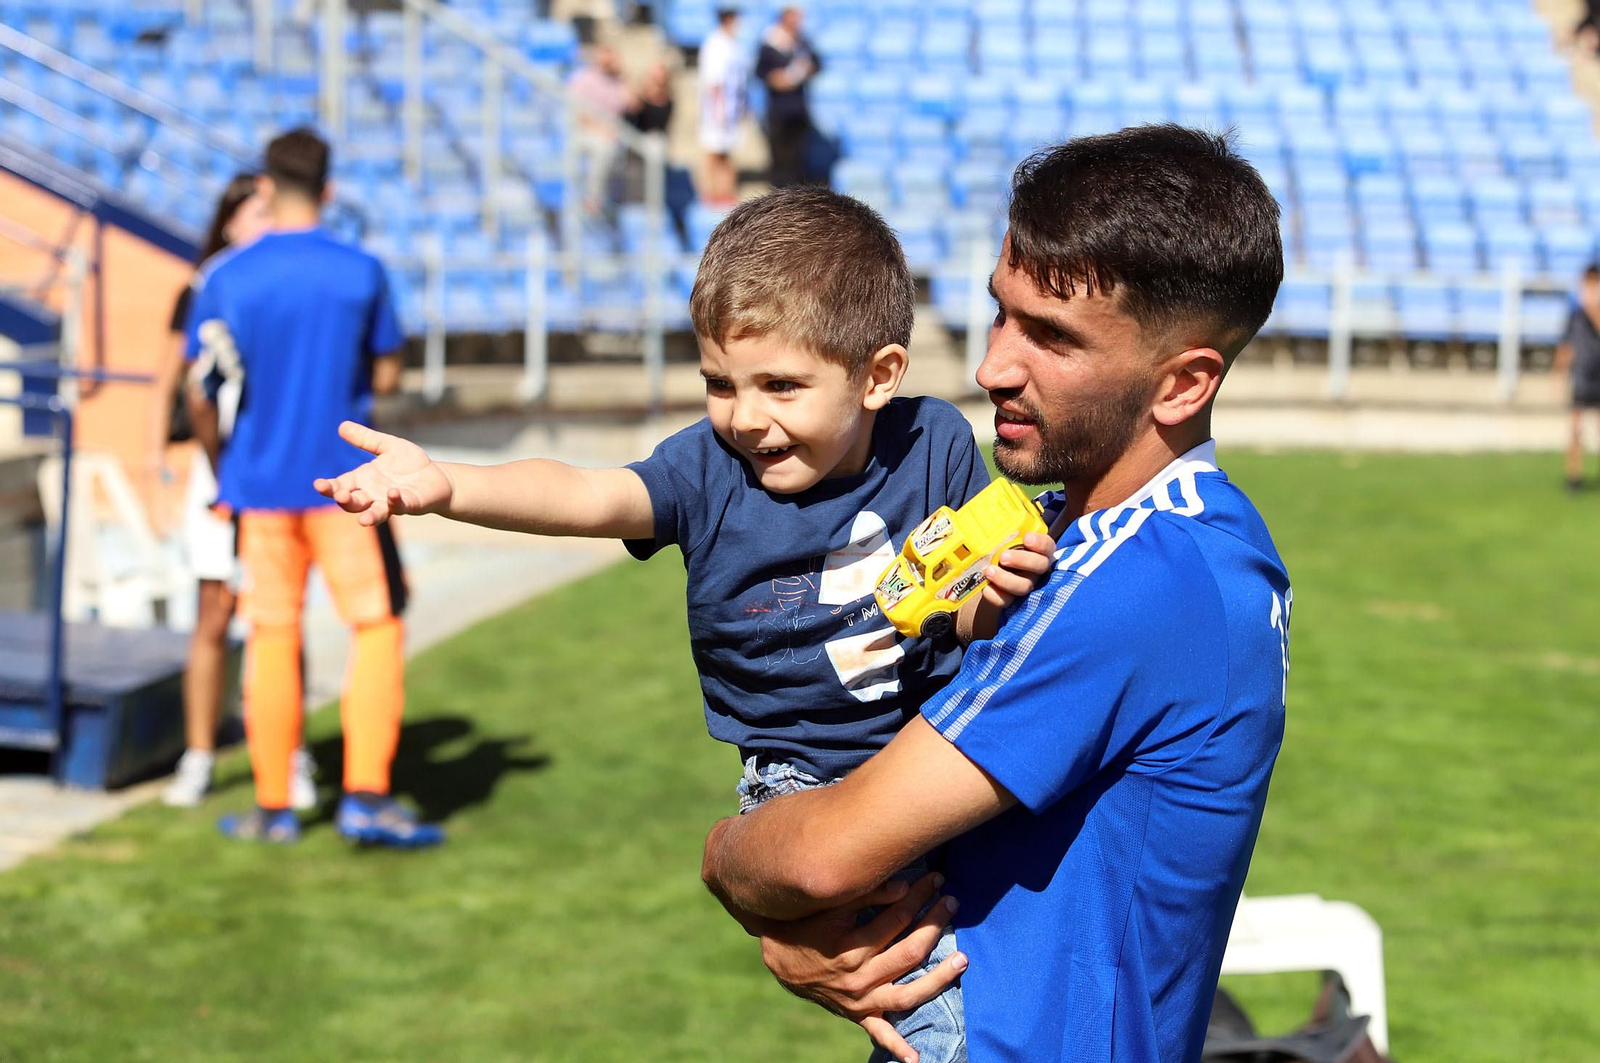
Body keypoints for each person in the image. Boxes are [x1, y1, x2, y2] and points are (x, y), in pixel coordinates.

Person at [313, 187, 1054, 1062]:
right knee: (926, 1005)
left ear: (877, 375)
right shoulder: (706, 472)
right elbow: (589, 493)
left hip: (930, 751)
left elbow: (959, 608)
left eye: (780, 384)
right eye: (719, 383)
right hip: (802, 778)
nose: (744, 415)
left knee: (1014, 947)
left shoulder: (934, 442)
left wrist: (992, 600)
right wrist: (450, 486)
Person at [701, 125, 1290, 1063]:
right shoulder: (1108, 530)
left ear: (1183, 384)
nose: (992, 367)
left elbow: (822, 854)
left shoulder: (1141, 577)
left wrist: (727, 855)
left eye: (1052, 337)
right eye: (1001, 313)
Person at [186, 128, 439, 848]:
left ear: (265, 188)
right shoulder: (360, 269)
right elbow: (387, 374)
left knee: (270, 632)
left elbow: (199, 392)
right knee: (378, 625)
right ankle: (365, 793)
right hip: (348, 486)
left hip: (259, 485)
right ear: (328, 190)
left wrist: (223, 467)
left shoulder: (226, 277)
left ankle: (275, 806)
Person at [153, 175, 320, 811]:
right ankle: (199, 756)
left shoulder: (290, 283)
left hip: (275, 473)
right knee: (214, 614)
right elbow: (185, 385)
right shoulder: (211, 286)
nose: (266, 220)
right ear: (229, 221)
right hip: (224, 471)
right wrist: (168, 465)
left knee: (280, 620)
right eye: (254, 211)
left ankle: (288, 753)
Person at [755, 6, 821, 189]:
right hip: (778, 110)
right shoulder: (770, 42)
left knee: (797, 157)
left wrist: (807, 70)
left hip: (798, 108)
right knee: (780, 156)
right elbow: (761, 72)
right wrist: (777, 79)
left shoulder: (802, 41)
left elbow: (818, 64)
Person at [566, 43, 636, 215]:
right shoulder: (584, 79)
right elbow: (579, 115)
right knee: (603, 147)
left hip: (611, 135)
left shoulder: (617, 82)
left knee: (610, 146)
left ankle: (609, 202)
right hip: (586, 132)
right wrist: (601, 130)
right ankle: (593, 199)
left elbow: (633, 104)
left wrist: (622, 76)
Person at [1554, 264, 1600, 492]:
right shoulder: (1575, 316)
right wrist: (1559, 377)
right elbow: (1566, 346)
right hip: (1582, 377)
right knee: (1575, 428)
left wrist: (1594, 308)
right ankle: (1574, 478)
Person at [697, 7, 746, 205]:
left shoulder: (732, 44)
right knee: (713, 152)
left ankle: (725, 190)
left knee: (727, 152)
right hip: (719, 109)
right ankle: (709, 192)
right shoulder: (715, 45)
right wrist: (719, 110)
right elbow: (714, 82)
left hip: (731, 109)